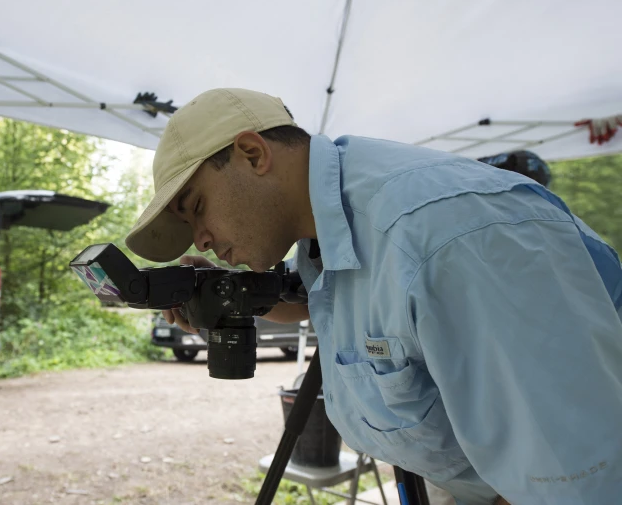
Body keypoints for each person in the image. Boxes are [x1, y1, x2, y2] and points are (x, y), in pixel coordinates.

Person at [124, 88, 622, 505]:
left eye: (197, 208)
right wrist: (225, 298)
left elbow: (579, 480)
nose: (201, 240)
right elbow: (334, 296)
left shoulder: (448, 237)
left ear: (253, 154)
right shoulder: (331, 224)